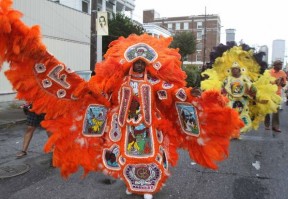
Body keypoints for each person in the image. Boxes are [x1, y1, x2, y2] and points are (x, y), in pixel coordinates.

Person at [0, 2, 243, 198]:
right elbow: (97, 94)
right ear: (128, 64)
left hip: (149, 129)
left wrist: (191, 95)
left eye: (141, 62)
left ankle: (148, 187)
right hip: (124, 130)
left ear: (147, 64)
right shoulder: (118, 83)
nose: (138, 65)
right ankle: (133, 185)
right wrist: (86, 92)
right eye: (134, 62)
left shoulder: (154, 82)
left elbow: (172, 93)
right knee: (128, 157)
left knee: (151, 156)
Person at [264, 60, 287, 132]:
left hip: (277, 94)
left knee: (276, 111)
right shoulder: (268, 72)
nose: (281, 66)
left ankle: (275, 126)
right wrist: (275, 81)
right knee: (267, 110)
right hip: (268, 93)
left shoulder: (282, 73)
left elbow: (283, 84)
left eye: (281, 64)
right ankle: (267, 125)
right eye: (279, 64)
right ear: (275, 65)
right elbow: (265, 82)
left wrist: (282, 82)